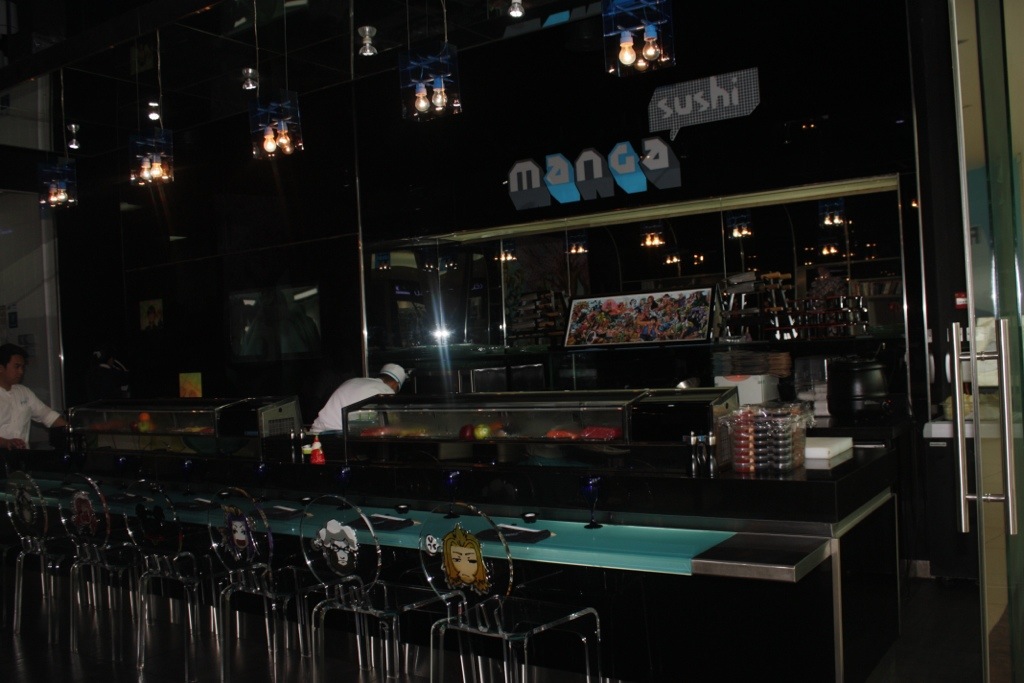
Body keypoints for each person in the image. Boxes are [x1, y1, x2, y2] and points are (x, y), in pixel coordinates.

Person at [0, 343, 67, 449]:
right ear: (1, 368)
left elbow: (48, 416)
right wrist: (5, 442)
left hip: (22, 455)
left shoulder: (24, 392)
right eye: (17, 367)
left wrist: (72, 430)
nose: (21, 371)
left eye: (23, 367)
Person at [310, 363, 407, 433]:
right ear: (395, 384)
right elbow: (394, 424)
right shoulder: (386, 391)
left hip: (317, 433)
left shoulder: (353, 381)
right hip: (338, 436)